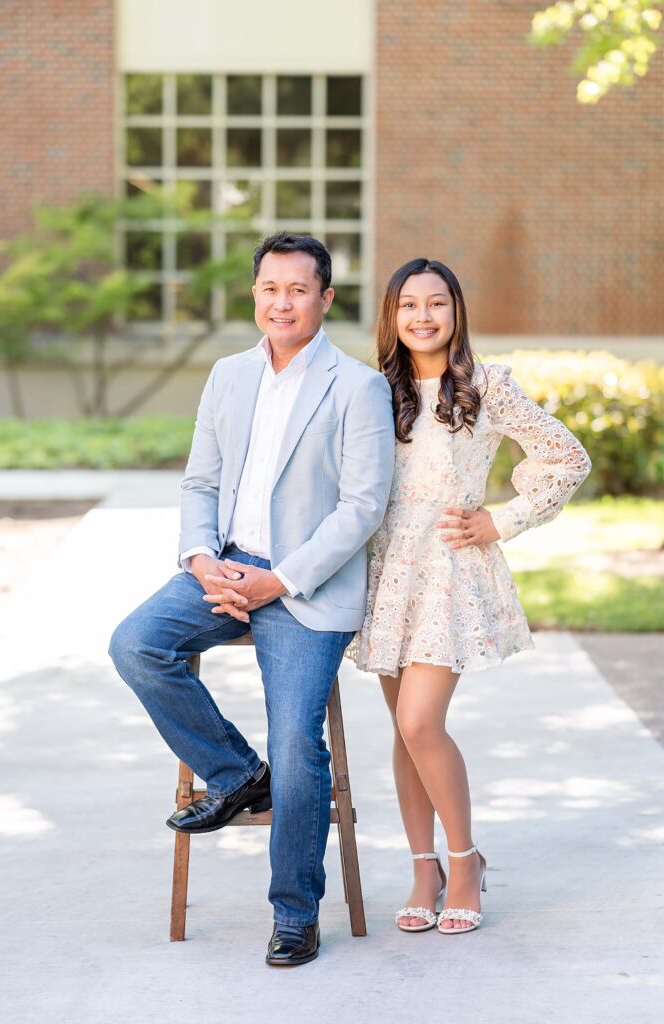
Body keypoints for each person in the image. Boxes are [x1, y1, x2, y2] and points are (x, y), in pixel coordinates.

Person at [109, 232, 395, 966]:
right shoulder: (228, 375)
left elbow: (361, 508)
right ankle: (238, 776)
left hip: (306, 586)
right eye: (270, 288)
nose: (282, 302)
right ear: (255, 293)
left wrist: (280, 579)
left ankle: (295, 913)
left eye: (298, 289)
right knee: (137, 644)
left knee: (299, 747)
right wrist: (202, 561)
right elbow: (200, 482)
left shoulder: (356, 386)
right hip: (224, 569)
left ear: (325, 299)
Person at [348, 257, 591, 935]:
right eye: (408, 306)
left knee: (421, 723)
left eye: (436, 304)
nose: (422, 317)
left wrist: (501, 519)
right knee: (404, 731)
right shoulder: (372, 391)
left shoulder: (487, 387)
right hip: (386, 573)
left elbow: (566, 457)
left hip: (449, 572)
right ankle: (421, 867)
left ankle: (463, 862)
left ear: (455, 314)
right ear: (391, 318)